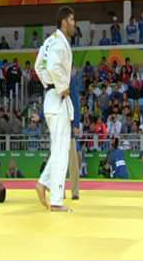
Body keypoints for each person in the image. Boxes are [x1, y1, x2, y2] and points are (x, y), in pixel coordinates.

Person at [34, 5, 76, 212]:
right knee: (61, 152)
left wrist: (48, 85)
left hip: (51, 98)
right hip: (58, 99)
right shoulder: (59, 43)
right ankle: (57, 200)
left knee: (59, 148)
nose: (74, 24)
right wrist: (60, 86)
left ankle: (44, 182)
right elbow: (51, 66)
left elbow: (38, 66)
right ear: (64, 22)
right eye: (72, 20)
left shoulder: (49, 41)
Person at [68, 70, 82, 200]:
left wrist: (76, 124)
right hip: (57, 122)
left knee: (73, 159)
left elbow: (76, 103)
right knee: (57, 160)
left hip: (68, 123)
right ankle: (58, 190)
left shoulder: (69, 80)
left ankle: (75, 190)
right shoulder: (53, 78)